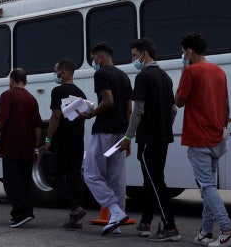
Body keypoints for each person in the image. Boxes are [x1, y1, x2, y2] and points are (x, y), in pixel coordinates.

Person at [175, 32, 231, 247]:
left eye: (183, 51)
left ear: (190, 51)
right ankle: (205, 232)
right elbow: (227, 104)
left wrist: (183, 71)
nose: (183, 55)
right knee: (208, 185)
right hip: (216, 136)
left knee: (206, 187)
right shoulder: (219, 71)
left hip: (198, 137)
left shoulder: (191, 71)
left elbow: (179, 101)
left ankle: (227, 228)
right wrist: (223, 130)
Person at [116, 38, 180, 241]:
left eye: (134, 55)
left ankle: (170, 226)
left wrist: (128, 136)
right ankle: (145, 222)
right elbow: (173, 110)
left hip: (148, 139)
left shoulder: (143, 77)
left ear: (144, 54)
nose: (132, 59)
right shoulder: (166, 77)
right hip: (163, 138)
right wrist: (164, 128)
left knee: (155, 182)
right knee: (151, 180)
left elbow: (138, 111)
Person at [78, 42, 132, 236]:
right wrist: (128, 137)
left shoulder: (101, 74)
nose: (94, 62)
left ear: (99, 56)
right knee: (116, 177)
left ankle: (115, 211)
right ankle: (115, 221)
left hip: (104, 131)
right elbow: (128, 108)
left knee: (91, 174)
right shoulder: (123, 76)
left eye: (93, 59)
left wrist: (89, 114)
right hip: (120, 133)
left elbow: (109, 101)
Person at [0, 68, 42, 228]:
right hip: (27, 146)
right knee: (24, 182)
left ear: (11, 79)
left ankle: (24, 211)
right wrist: (36, 148)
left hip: (11, 145)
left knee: (11, 183)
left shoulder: (7, 95)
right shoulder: (32, 99)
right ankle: (18, 215)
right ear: (25, 81)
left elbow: (2, 120)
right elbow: (37, 126)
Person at [43, 59, 87, 229]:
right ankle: (77, 215)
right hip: (78, 140)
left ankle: (75, 208)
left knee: (54, 174)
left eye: (56, 71)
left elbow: (56, 116)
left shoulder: (58, 91)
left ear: (62, 71)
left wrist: (48, 139)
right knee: (74, 175)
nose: (55, 74)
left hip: (62, 141)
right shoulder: (80, 92)